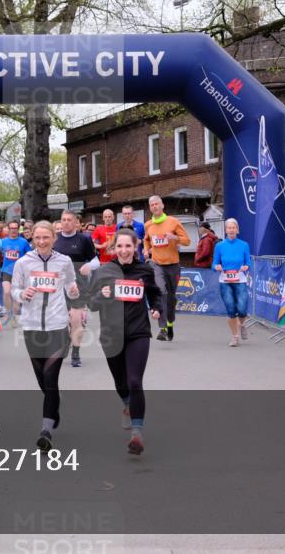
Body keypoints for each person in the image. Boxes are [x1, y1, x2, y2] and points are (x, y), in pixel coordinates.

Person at [88, 229, 163, 455]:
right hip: (111, 334)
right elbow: (91, 304)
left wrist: (157, 308)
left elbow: (154, 293)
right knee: (121, 382)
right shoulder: (103, 271)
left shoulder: (144, 270)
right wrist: (102, 294)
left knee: (134, 381)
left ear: (135, 246)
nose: (123, 250)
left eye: (128, 246)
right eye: (119, 246)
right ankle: (127, 405)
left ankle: (137, 433)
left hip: (138, 332)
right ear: (113, 248)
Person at [11, 221, 79, 452]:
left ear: (54, 237)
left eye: (46, 238)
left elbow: (71, 282)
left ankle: (46, 430)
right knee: (42, 379)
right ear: (32, 239)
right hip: (31, 327)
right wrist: (23, 293)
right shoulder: (23, 263)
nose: (41, 242)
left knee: (50, 378)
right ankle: (54, 408)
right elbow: (14, 289)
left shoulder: (64, 261)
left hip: (57, 326)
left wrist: (73, 290)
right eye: (37, 238)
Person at [143, 195, 191, 341]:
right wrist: (146, 250)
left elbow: (187, 241)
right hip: (157, 264)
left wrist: (174, 238)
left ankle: (170, 323)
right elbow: (146, 239)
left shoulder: (173, 222)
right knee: (161, 292)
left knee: (171, 298)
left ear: (162, 205)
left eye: (157, 204)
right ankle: (162, 328)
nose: (155, 206)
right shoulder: (148, 225)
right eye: (152, 205)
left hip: (173, 265)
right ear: (150, 208)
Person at [53, 210, 96, 367]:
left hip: (78, 285)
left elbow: (95, 261)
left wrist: (88, 265)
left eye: (69, 220)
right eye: (63, 219)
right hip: (57, 286)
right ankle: (65, 342)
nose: (66, 222)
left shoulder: (84, 239)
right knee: (62, 320)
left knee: (76, 319)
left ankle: (75, 354)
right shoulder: (54, 240)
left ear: (76, 222)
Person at [212, 218, 251, 347]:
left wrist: (246, 267)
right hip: (225, 280)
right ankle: (235, 337)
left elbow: (248, 262)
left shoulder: (244, 245)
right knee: (230, 309)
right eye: (229, 228)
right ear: (225, 230)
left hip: (240, 279)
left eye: (233, 227)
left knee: (242, 308)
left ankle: (242, 324)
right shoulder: (220, 246)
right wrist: (217, 266)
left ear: (237, 229)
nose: (231, 230)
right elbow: (215, 263)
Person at [0, 220, 32, 324]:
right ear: (8, 229)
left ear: (18, 229)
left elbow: (30, 256)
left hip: (19, 272)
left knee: (16, 294)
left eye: (15, 228)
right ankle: (8, 312)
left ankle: (15, 315)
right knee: (6, 292)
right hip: (6, 271)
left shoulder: (23, 242)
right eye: (11, 228)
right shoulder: (3, 242)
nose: (13, 230)